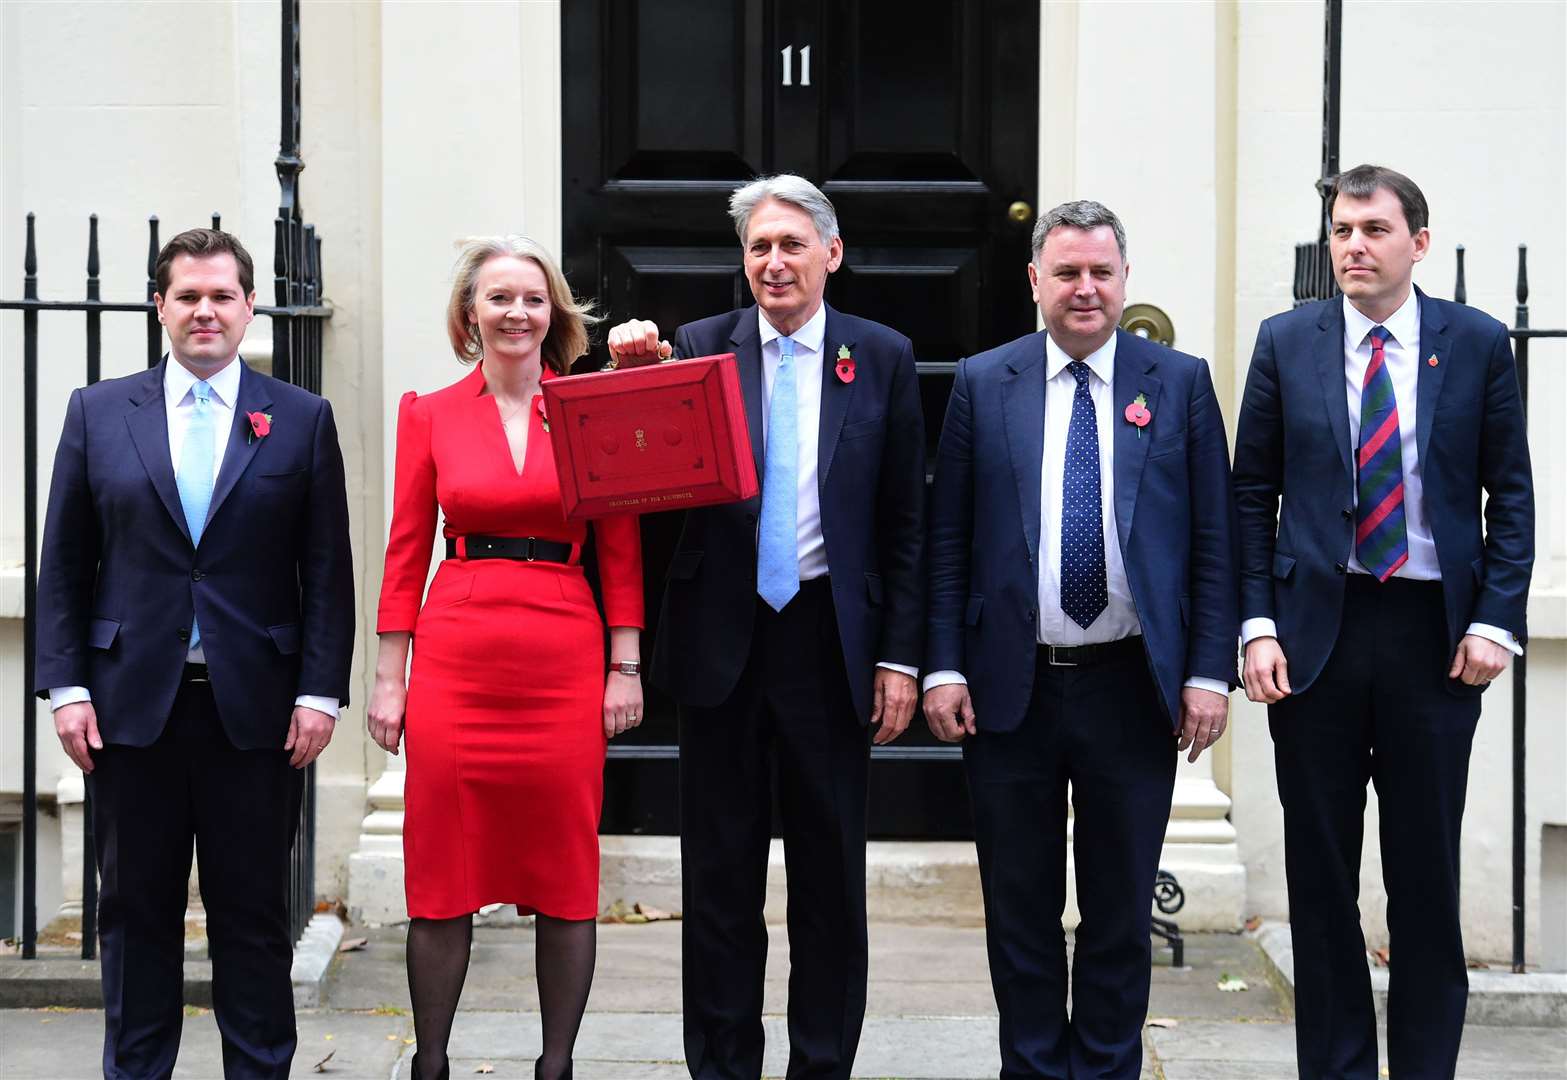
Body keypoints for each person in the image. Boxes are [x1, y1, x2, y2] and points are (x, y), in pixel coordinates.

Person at [606, 173, 925, 1080]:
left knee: (829, 884)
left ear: (831, 252)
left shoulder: (884, 355)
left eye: (791, 244)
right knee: (718, 883)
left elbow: (906, 522)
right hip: (721, 645)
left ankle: (820, 1064)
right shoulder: (699, 346)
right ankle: (721, 1066)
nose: (773, 262)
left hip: (830, 645)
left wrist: (900, 656)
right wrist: (627, 370)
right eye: (758, 247)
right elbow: (628, 475)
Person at [923, 200, 1239, 1079]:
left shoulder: (1176, 383)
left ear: (1125, 277)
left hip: (1131, 686)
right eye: (1066, 272)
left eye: (1100, 271)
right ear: (1035, 281)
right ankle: (1028, 1067)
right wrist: (942, 664)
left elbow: (1214, 541)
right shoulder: (985, 382)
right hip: (1007, 686)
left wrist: (1209, 673)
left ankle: (1104, 1068)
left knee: (1116, 910)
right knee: (1017, 910)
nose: (1085, 288)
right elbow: (945, 539)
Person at [1233, 164, 1534, 1080]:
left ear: (1418, 242)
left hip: (1433, 641)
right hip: (1313, 638)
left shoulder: (1475, 342)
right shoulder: (1286, 341)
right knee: (1320, 882)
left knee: (1423, 880)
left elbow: (1509, 497)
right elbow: (1252, 494)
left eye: (1371, 229)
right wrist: (1255, 624)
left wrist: (1494, 621)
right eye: (1340, 231)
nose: (1352, 247)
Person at [34, 227, 355, 1078]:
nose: (205, 311)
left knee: (251, 917)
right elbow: (63, 563)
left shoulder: (300, 418)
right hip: (128, 710)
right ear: (160, 307)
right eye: (188, 296)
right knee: (135, 917)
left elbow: (326, 570)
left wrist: (320, 694)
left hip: (255, 713)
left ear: (249, 307)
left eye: (222, 296)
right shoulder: (99, 412)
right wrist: (65, 687)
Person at [369, 236, 644, 1080]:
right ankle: (432, 1062)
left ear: (553, 314)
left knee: (564, 865)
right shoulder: (429, 412)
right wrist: (390, 676)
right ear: (469, 315)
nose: (516, 313)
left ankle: (555, 1065)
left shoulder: (591, 408)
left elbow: (622, 546)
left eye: (532, 298)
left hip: (563, 644)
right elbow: (406, 548)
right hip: (457, 652)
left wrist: (624, 664)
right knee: (442, 867)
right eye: (499, 298)